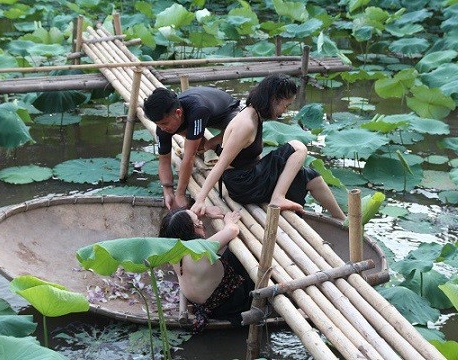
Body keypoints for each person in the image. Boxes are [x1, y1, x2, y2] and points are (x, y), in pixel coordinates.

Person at [190, 74, 346, 221]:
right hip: (243, 184)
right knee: (298, 147)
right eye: (286, 105)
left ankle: (343, 221)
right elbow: (221, 165)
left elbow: (251, 156)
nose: (285, 111)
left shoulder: (254, 114)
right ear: (273, 99)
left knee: (311, 177)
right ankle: (278, 198)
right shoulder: (246, 124)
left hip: (249, 178)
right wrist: (201, 200)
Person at [143, 87, 240, 210]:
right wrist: (167, 190)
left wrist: (180, 194)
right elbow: (163, 161)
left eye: (164, 124)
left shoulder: (198, 110)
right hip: (199, 117)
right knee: (198, 145)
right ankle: (206, 142)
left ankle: (212, 142)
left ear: (178, 113)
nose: (162, 128)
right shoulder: (163, 125)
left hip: (229, 113)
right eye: (158, 125)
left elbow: (189, 158)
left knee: (236, 140)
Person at [159, 207, 254, 332]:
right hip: (230, 305)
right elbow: (232, 230)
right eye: (197, 220)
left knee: (229, 255)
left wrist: (206, 212)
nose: (200, 222)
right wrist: (228, 220)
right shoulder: (201, 250)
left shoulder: (172, 252)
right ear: (193, 227)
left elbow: (182, 220)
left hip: (206, 305)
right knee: (247, 250)